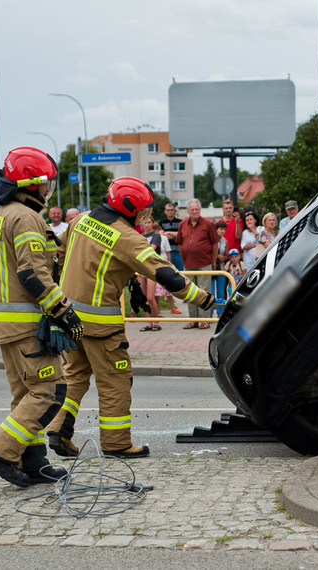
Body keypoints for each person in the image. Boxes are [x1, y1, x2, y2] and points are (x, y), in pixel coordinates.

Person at [46, 177, 215, 459]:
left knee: (75, 377)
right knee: (115, 382)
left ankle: (59, 429)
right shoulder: (126, 237)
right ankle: (116, 444)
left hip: (69, 318)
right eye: (142, 212)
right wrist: (204, 299)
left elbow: (62, 254)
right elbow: (164, 273)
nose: (144, 217)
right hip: (101, 326)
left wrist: (124, 282)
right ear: (128, 209)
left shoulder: (80, 221)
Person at [0, 146, 83, 488]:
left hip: (8, 324)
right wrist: (63, 310)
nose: (46, 190)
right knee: (50, 391)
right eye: (44, 184)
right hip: (26, 326)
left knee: (26, 394)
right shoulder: (25, 217)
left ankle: (34, 461)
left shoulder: (0, 215)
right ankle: (0, 452)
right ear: (31, 184)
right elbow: (33, 274)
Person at [176, 199, 219, 330]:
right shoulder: (183, 224)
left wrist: (213, 262)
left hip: (204, 263)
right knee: (189, 293)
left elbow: (215, 244)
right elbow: (179, 243)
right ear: (188, 211)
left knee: (203, 292)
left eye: (197, 209)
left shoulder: (208, 224)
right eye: (192, 209)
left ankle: (204, 320)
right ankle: (193, 320)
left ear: (200, 210)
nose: (194, 212)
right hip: (188, 263)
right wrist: (184, 258)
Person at [139, 217, 162, 331]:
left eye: (149, 222)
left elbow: (151, 249)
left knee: (150, 297)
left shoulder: (156, 235)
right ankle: (149, 323)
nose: (147, 225)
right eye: (145, 223)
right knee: (143, 298)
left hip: (152, 268)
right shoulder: (140, 236)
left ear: (153, 223)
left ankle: (156, 321)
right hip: (141, 268)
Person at [212, 220, 229, 317]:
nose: (222, 231)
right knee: (210, 292)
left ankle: (220, 313)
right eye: (221, 229)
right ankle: (209, 314)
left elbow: (226, 254)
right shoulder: (211, 240)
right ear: (216, 229)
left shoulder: (224, 241)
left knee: (221, 292)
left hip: (221, 266)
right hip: (211, 266)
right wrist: (216, 256)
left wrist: (223, 257)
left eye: (224, 229)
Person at [159, 203, 183, 271]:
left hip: (179, 251)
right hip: (167, 252)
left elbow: (182, 235)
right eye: (168, 210)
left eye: (171, 210)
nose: (170, 212)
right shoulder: (161, 223)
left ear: (174, 211)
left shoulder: (180, 222)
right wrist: (176, 234)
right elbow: (161, 235)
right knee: (169, 272)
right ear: (165, 211)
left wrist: (168, 232)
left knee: (180, 272)